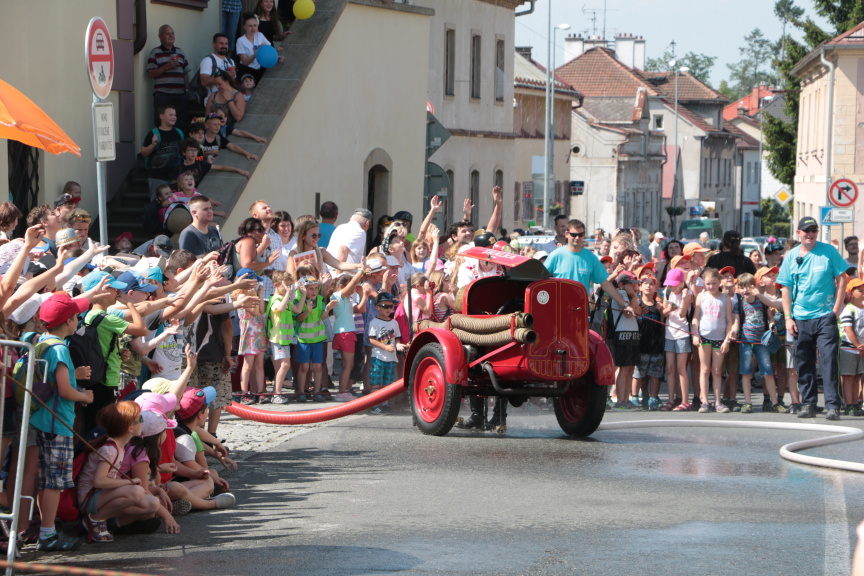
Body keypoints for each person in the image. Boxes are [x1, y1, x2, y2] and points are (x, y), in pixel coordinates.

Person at [31, 293, 95, 551]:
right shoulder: (59, 348)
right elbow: (65, 391)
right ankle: (47, 534)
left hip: (44, 419)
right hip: (57, 422)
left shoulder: (41, 342)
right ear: (69, 320)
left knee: (48, 480)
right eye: (76, 315)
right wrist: (86, 396)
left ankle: (45, 527)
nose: (78, 319)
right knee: (54, 482)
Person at [777, 216, 850, 420]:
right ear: (798, 233)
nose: (810, 234)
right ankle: (808, 403)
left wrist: (836, 309)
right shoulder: (791, 256)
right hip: (800, 317)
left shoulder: (828, 252)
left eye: (813, 231)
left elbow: (843, 279)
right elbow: (785, 288)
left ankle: (832, 405)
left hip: (825, 316)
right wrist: (788, 317)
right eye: (806, 231)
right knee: (803, 362)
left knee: (828, 361)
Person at [77, 402, 161, 543]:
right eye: (140, 419)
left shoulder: (120, 446)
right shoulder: (110, 450)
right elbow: (99, 481)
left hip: (101, 495)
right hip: (89, 498)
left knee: (153, 504)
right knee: (136, 492)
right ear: (130, 428)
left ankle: (110, 521)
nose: (143, 422)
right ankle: (95, 519)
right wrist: (128, 482)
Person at [544, 219, 635, 315]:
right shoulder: (556, 254)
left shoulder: (590, 257)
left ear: (584, 235)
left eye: (580, 234)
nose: (577, 238)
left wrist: (625, 305)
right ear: (567, 234)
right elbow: (539, 278)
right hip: (559, 307)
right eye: (574, 235)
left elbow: (605, 283)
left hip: (581, 308)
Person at [735, 273, 783, 413]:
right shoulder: (739, 303)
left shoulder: (761, 301)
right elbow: (737, 321)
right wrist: (733, 331)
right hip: (746, 341)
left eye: (749, 286)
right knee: (746, 373)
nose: (746, 290)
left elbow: (770, 318)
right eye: (742, 287)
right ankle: (748, 403)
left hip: (761, 342)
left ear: (754, 286)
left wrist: (772, 325)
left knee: (767, 372)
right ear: (739, 288)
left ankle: (775, 403)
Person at [693, 268, 735, 414]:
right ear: (704, 283)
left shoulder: (725, 298)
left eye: (714, 283)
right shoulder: (701, 296)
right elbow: (696, 317)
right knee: (704, 369)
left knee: (717, 371)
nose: (711, 286)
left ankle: (718, 401)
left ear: (720, 283)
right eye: (708, 284)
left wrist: (727, 340)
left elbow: (729, 320)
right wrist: (695, 334)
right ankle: (704, 401)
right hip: (704, 336)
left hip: (720, 338)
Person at [329, 268, 367, 401]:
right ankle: (341, 392)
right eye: (352, 286)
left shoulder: (347, 299)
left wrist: (363, 294)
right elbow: (352, 284)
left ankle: (343, 390)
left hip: (348, 332)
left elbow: (361, 309)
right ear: (342, 286)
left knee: (349, 364)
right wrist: (361, 271)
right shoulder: (338, 296)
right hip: (344, 333)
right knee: (347, 364)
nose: (354, 289)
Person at [267, 270, 303, 403]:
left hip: (284, 339)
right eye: (286, 285)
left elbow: (298, 310)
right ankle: (277, 394)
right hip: (278, 339)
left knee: (280, 368)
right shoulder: (276, 299)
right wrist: (289, 293)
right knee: (285, 365)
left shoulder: (285, 299)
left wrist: (303, 294)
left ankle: (275, 393)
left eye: (290, 285)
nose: (289, 288)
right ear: (276, 285)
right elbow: (280, 309)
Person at [367, 292, 406, 415]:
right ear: (378, 307)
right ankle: (374, 405)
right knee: (376, 383)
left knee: (387, 383)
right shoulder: (374, 322)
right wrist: (384, 346)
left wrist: (398, 344)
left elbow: (397, 337)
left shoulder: (394, 323)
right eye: (385, 306)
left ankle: (384, 404)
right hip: (378, 357)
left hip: (391, 358)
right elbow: (372, 339)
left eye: (391, 306)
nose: (389, 309)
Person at [608, 271, 642, 410]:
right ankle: (621, 400)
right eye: (631, 284)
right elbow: (629, 313)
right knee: (623, 367)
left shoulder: (632, 296)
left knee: (630, 368)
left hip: (632, 333)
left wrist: (634, 298)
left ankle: (626, 399)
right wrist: (634, 297)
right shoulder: (621, 294)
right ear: (622, 284)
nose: (634, 287)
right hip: (622, 334)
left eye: (635, 285)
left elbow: (638, 314)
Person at [146, 25, 190, 128]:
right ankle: (162, 144)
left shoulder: (180, 52)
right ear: (160, 36)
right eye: (168, 33)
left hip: (180, 95)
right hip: (163, 95)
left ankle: (179, 144)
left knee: (181, 123)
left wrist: (186, 91)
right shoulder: (155, 52)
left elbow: (185, 73)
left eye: (172, 33)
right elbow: (150, 74)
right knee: (161, 123)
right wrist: (168, 66)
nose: (171, 36)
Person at [140, 106, 184, 201]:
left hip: (175, 177)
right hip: (157, 177)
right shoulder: (153, 133)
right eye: (170, 115)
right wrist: (152, 145)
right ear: (162, 116)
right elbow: (144, 153)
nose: (174, 117)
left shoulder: (179, 132)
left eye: (175, 115)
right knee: (156, 203)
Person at [839, 277, 864, 415]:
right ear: (851, 292)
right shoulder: (848, 309)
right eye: (860, 291)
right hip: (849, 348)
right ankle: (848, 403)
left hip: (861, 348)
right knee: (848, 377)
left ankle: (855, 403)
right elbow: (848, 329)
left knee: (857, 376)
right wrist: (858, 345)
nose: (863, 293)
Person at [236, 12, 283, 84]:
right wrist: (257, 52)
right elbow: (245, 62)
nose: (253, 28)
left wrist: (277, 57)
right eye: (250, 26)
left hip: (260, 69)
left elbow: (268, 51)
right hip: (247, 71)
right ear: (244, 26)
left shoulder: (260, 35)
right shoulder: (240, 41)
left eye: (255, 25)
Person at [199, 33, 237, 106]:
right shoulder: (208, 60)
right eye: (221, 43)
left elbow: (233, 81)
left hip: (229, 100)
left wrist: (232, 78)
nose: (224, 46)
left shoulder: (231, 61)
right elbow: (204, 81)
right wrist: (225, 76)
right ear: (214, 44)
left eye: (226, 44)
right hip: (213, 102)